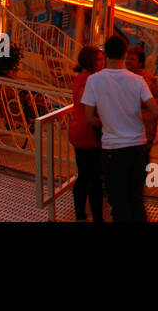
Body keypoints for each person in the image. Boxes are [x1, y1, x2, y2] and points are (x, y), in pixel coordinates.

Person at [80, 34, 158, 222]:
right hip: (137, 146)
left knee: (118, 202)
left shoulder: (94, 81)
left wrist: (108, 121)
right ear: (124, 55)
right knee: (136, 199)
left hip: (111, 148)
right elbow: (156, 112)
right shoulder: (138, 81)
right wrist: (138, 119)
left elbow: (89, 118)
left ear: (106, 54)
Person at [67, 46, 104, 222]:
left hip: (80, 129)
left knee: (86, 174)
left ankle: (82, 213)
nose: (102, 62)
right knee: (92, 177)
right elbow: (85, 101)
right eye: (98, 59)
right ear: (90, 61)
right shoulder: (88, 79)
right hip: (86, 130)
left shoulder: (82, 78)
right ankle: (93, 215)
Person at [125, 44, 158, 156]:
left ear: (140, 63)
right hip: (127, 130)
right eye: (127, 58)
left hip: (145, 130)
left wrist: (149, 103)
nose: (128, 61)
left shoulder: (148, 80)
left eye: (132, 59)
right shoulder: (121, 79)